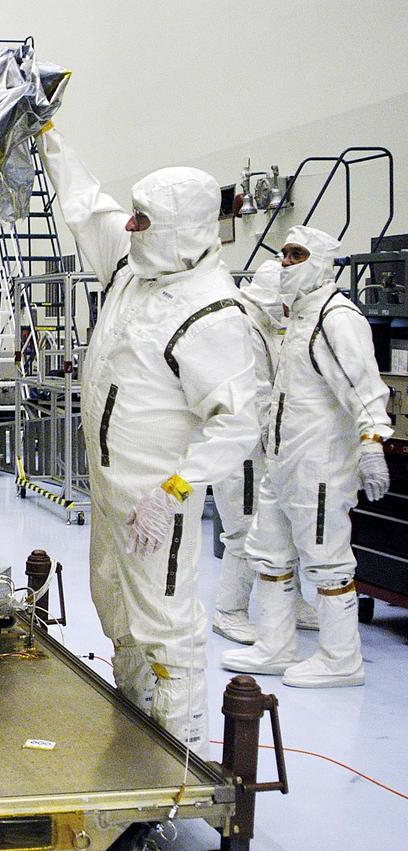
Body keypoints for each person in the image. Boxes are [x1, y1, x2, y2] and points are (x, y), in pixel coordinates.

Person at [38, 126, 261, 754]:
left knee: (166, 624)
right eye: (133, 216)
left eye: (144, 219)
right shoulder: (132, 268)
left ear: (183, 230)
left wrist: (175, 491)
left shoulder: (214, 313)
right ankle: (132, 724)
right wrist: (50, 133)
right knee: (114, 606)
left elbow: (236, 423)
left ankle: (178, 758)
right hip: (109, 488)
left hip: (156, 498)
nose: (130, 227)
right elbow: (86, 204)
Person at [221, 225, 390, 688]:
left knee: (326, 559)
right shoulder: (298, 318)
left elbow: (363, 386)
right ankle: (276, 646)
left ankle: (341, 659)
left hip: (320, 465)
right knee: (270, 553)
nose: (287, 263)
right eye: (285, 255)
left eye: (298, 255)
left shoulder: (336, 317)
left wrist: (373, 441)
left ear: (320, 263)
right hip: (281, 461)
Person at [211, 259, 318, 643]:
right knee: (243, 530)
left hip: (270, 448)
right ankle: (230, 610)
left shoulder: (272, 325)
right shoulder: (243, 326)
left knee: (282, 527)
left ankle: (292, 600)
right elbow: (255, 398)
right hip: (243, 450)